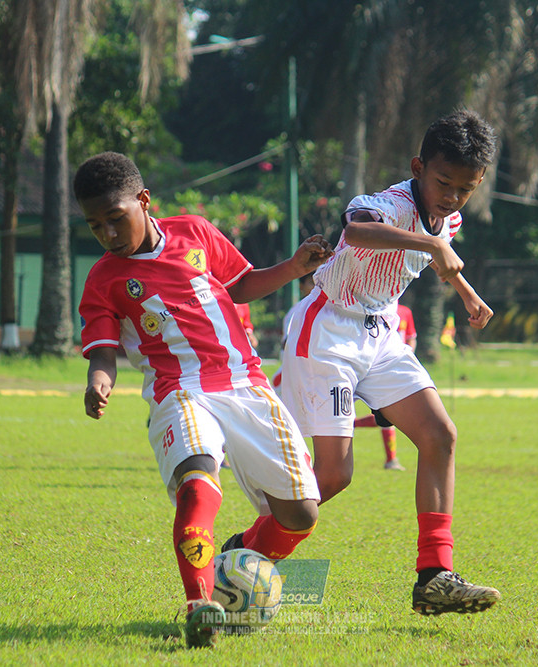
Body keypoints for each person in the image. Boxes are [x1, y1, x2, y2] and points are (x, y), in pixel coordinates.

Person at [73, 152, 334, 648]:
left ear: (143, 200)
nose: (107, 233)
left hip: (246, 385)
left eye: (115, 218)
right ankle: (201, 605)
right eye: (94, 225)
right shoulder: (104, 279)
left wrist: (294, 267)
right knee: (196, 484)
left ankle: (232, 557)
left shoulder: (194, 231)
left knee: (301, 513)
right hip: (179, 390)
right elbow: (102, 350)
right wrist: (99, 380)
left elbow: (241, 286)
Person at [279, 110, 502, 616]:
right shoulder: (390, 204)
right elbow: (358, 232)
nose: (452, 197)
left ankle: (434, 576)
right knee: (333, 477)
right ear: (418, 167)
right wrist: (432, 243)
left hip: (380, 332)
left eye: (465, 189)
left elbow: (435, 255)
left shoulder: (448, 219)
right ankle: (244, 549)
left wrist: (466, 293)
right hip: (328, 329)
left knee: (440, 435)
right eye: (443, 182)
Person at [353, 302, 418, 470]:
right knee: (387, 414)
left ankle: (391, 459)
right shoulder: (372, 308)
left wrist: (406, 357)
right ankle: (391, 459)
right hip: (372, 364)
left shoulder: (405, 311)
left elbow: (410, 337)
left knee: (390, 415)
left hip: (396, 366)